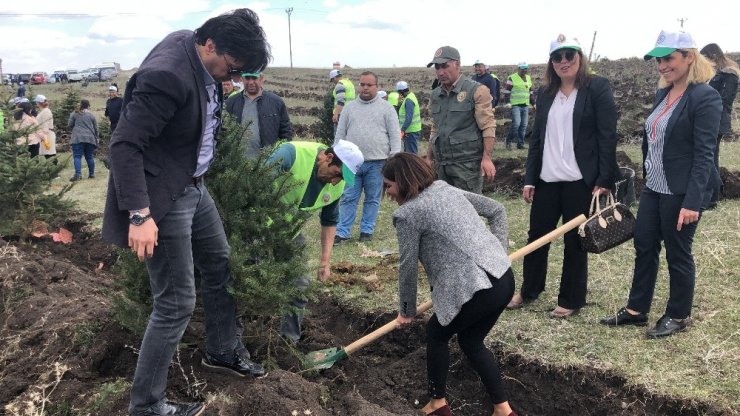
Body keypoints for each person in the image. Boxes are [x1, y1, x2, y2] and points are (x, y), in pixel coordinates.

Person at [101, 9, 271, 416]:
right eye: (231, 69)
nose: (232, 81)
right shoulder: (168, 76)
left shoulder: (191, 42)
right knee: (175, 304)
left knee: (219, 265)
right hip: (163, 196)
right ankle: (146, 406)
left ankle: (222, 351)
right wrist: (140, 216)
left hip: (194, 187)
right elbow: (124, 145)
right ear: (210, 45)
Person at [599, 30, 721, 338]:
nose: (662, 65)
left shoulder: (705, 96)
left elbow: (705, 153)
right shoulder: (663, 94)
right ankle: (636, 310)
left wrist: (693, 201)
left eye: (669, 58)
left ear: (689, 57)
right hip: (654, 187)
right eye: (658, 60)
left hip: (680, 191)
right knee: (644, 245)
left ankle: (678, 315)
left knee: (678, 253)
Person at [386, 153, 518, 416]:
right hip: (503, 280)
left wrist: (406, 309)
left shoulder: (407, 214)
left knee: (436, 334)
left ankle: (437, 404)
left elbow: (407, 265)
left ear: (403, 180)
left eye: (389, 185)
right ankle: (503, 410)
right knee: (471, 341)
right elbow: (497, 209)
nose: (386, 192)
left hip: (475, 289)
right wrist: (498, 255)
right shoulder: (443, 188)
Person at [506, 34, 618, 318]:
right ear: (551, 62)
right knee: (537, 237)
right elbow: (537, 140)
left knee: (575, 241)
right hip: (547, 180)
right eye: (558, 57)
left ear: (580, 57)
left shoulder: (597, 88)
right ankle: (530, 290)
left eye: (570, 55)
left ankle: (570, 299)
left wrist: (605, 178)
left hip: (580, 181)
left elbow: (607, 135)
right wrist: (530, 178)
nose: (564, 62)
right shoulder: (545, 94)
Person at [267, 140, 364, 342]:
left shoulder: (336, 186)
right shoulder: (291, 154)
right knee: (249, 280)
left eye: (342, 178)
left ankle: (288, 341)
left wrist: (325, 261)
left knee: (300, 284)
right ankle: (234, 341)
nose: (336, 182)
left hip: (288, 231)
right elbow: (257, 181)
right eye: (337, 174)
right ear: (328, 158)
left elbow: (329, 221)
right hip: (257, 224)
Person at [333, 71, 401, 244]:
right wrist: (336, 155)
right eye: (362, 84)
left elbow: (394, 134)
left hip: (378, 163)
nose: (365, 88)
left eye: (369, 85)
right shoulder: (349, 108)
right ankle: (342, 232)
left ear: (376, 87)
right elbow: (340, 134)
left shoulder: (387, 108)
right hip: (351, 164)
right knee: (349, 197)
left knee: (372, 198)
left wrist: (395, 158)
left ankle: (366, 231)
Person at [425, 46, 496, 194]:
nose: (440, 72)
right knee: (446, 211)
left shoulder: (476, 90)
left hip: (467, 166)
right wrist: (429, 157)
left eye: (445, 66)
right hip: (443, 165)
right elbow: (435, 128)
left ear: (457, 64)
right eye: (437, 67)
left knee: (469, 211)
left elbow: (488, 126)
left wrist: (487, 159)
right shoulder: (436, 95)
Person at [699, 43, 739, 209]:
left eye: (705, 58)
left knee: (709, 158)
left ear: (713, 56)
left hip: (715, 121)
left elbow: (725, 101)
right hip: (709, 120)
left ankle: (712, 198)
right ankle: (712, 196)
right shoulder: (716, 74)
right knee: (710, 157)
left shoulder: (729, 75)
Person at [225, 71, 292, 158]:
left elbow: (285, 133)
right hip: (237, 164)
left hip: (267, 163)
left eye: (254, 78)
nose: (251, 82)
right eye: (247, 78)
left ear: (261, 78)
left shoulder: (276, 102)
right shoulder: (231, 102)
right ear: (242, 79)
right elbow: (224, 131)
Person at [502, 63, 535, 150]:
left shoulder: (528, 78)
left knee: (523, 125)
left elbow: (530, 92)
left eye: (526, 68)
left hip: (525, 105)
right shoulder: (512, 78)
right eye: (523, 68)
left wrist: (533, 103)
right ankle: (508, 141)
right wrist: (507, 102)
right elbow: (507, 91)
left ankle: (520, 144)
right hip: (515, 105)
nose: (524, 70)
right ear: (518, 68)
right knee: (516, 124)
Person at [68, 99, 99, 181]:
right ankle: (91, 174)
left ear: (80, 105)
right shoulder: (91, 115)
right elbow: (96, 129)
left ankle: (78, 174)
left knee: (77, 156)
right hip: (90, 138)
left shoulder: (75, 114)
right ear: (88, 106)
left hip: (78, 138)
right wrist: (97, 138)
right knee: (89, 156)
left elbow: (70, 125)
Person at [395, 81, 422, 154]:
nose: (399, 94)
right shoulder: (409, 97)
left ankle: (413, 166)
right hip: (410, 131)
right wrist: (399, 103)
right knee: (408, 153)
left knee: (411, 154)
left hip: (411, 131)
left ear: (402, 91)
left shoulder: (409, 100)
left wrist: (402, 130)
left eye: (399, 92)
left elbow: (408, 118)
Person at [329, 69, 355, 134]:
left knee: (339, 137)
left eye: (332, 80)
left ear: (334, 78)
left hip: (341, 114)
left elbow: (340, 101)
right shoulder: (349, 83)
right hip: (351, 112)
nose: (333, 82)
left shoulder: (340, 85)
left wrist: (336, 114)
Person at [34, 95, 56, 161]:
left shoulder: (46, 111)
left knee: (49, 154)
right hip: (44, 134)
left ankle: (55, 168)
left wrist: (44, 137)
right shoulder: (43, 111)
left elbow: (45, 124)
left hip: (46, 135)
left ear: (38, 103)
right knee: (47, 154)